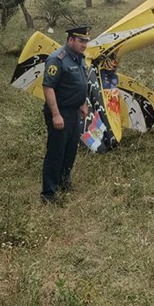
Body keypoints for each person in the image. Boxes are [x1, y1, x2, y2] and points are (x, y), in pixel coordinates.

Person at [40, 25, 90, 203]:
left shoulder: (79, 59)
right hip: (61, 113)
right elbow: (48, 87)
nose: (84, 44)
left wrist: (83, 104)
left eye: (86, 41)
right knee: (56, 153)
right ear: (70, 40)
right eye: (81, 40)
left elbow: (81, 83)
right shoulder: (57, 59)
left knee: (70, 151)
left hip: (75, 112)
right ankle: (48, 193)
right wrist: (55, 114)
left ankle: (63, 181)